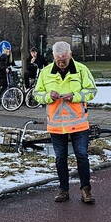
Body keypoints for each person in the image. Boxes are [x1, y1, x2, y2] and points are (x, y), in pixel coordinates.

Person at [34, 41, 97, 204]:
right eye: (58, 59)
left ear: (70, 54)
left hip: (78, 123)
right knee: (60, 158)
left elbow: (92, 91)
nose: (61, 62)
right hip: (56, 124)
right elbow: (37, 94)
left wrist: (75, 96)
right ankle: (63, 190)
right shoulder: (46, 72)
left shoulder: (82, 70)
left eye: (64, 58)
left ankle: (86, 190)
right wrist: (48, 97)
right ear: (53, 57)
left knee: (82, 156)